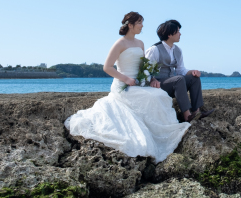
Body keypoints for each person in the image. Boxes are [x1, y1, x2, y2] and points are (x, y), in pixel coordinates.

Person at [64, 12, 189, 162]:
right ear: (130, 25)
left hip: (139, 83)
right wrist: (125, 78)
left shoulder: (141, 43)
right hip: (124, 84)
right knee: (151, 97)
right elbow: (107, 67)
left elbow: (144, 67)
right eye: (140, 23)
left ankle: (165, 131)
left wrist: (153, 79)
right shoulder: (120, 43)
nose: (142, 26)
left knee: (160, 95)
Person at [145, 19, 214, 122]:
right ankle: (187, 116)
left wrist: (193, 71)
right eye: (177, 31)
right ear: (169, 34)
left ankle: (196, 112)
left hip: (173, 83)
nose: (180, 34)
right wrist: (152, 79)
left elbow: (180, 70)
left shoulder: (178, 50)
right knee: (178, 79)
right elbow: (145, 70)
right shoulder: (154, 49)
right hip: (159, 84)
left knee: (194, 78)